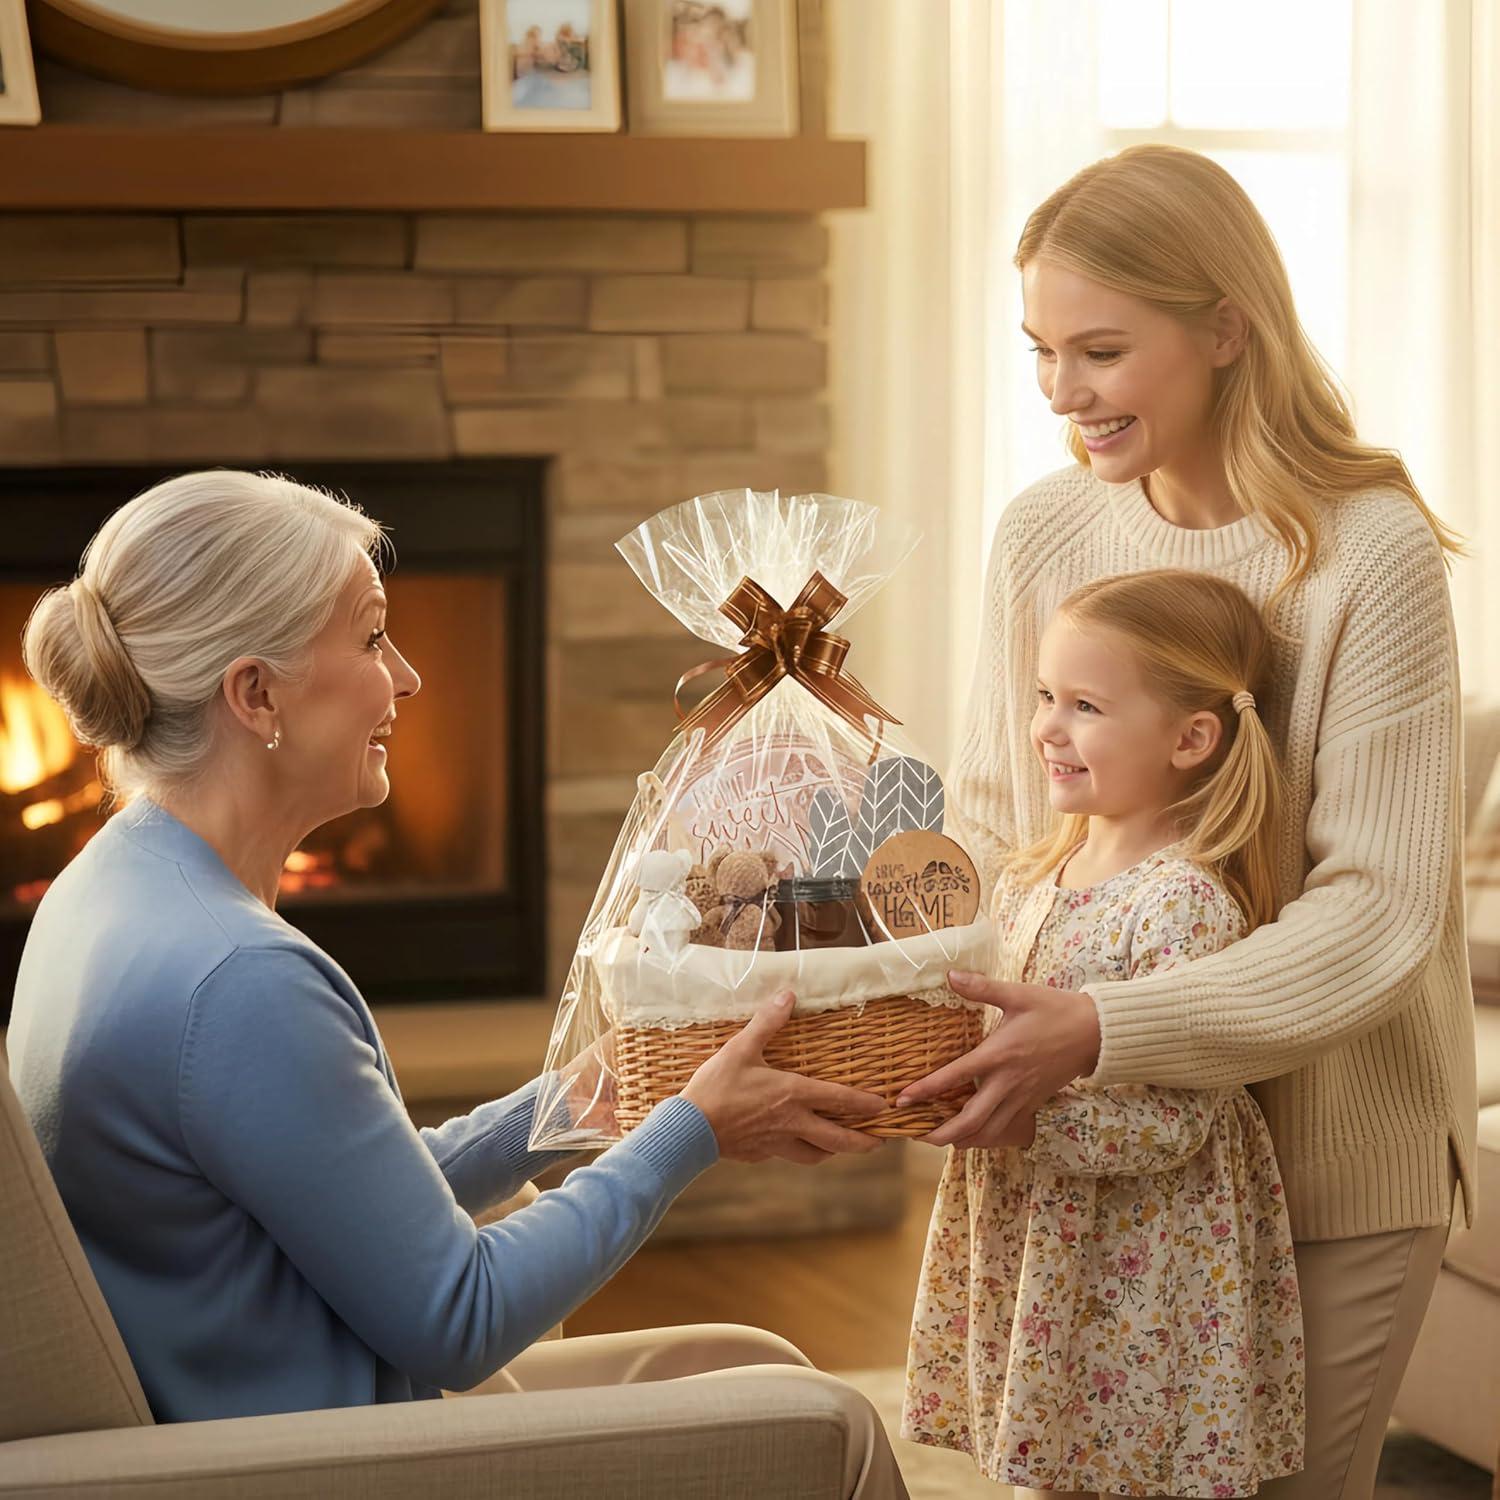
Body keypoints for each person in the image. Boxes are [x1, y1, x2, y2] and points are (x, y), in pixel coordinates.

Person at [6, 468, 909, 1498]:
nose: (408, 678)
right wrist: (689, 1133)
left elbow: (343, 1195)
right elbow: (458, 1319)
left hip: (266, 1409)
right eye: (371, 637)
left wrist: (580, 1101)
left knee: (747, 1365)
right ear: (256, 694)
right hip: (311, 1462)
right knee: (829, 1426)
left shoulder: (111, 886)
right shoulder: (239, 979)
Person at [894, 144, 1474, 1499]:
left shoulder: (1365, 550)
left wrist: (1102, 1030)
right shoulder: (1044, 532)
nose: (1062, 395)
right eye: (1041, 350)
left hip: (1333, 1154)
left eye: (1099, 349)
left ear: (1226, 328)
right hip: (1098, 1165)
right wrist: (931, 1006)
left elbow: (1383, 908)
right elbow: (997, 818)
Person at [903, 569, 1303, 1497]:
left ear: (1190, 738)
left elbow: (1174, 1124)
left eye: (1085, 705)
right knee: (1048, 1451)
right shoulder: (1033, 878)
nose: (1047, 726)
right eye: (1046, 696)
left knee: (1126, 1457)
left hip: (1136, 1258)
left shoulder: (1182, 903)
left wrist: (1024, 1121)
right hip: (1042, 1237)